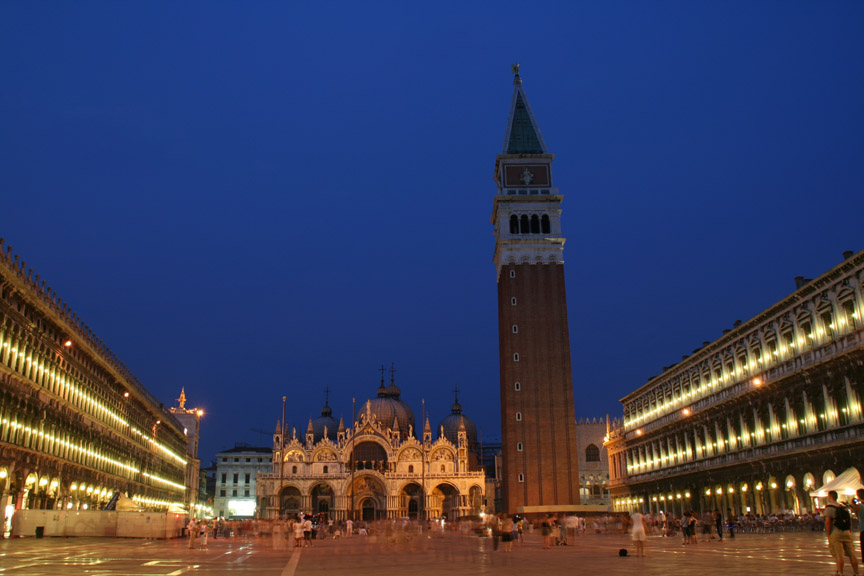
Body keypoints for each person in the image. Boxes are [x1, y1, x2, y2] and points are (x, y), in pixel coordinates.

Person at [825, 489, 860, 576]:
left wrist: (828, 534)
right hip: (846, 532)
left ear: (830, 497)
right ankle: (856, 572)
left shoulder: (829, 507)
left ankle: (840, 573)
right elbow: (849, 521)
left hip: (836, 533)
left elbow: (828, 522)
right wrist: (849, 531)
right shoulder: (843, 507)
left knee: (839, 555)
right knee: (852, 554)